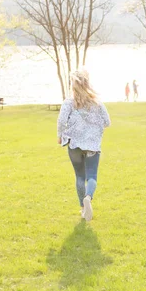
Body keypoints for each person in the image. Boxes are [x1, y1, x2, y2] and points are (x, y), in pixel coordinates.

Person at [57, 68, 111, 221]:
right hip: (92, 145)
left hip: (74, 144)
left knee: (80, 176)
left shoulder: (68, 103)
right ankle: (88, 196)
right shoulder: (97, 104)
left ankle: (83, 208)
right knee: (92, 175)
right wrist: (94, 126)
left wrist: (60, 135)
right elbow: (107, 122)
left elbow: (61, 121)